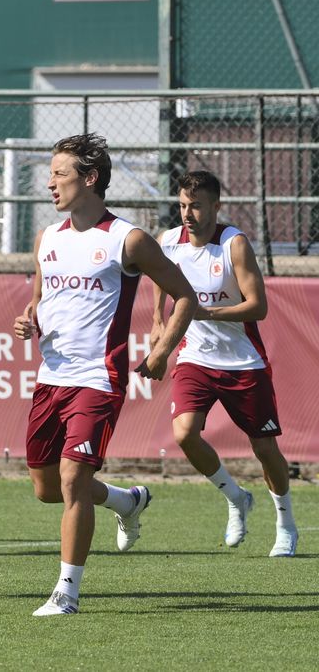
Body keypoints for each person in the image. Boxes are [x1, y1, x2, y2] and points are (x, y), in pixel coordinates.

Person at [13, 133, 197, 616]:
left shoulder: (127, 239)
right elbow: (39, 299)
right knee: (47, 488)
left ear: (89, 179)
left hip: (98, 379)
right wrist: (29, 316)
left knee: (73, 479)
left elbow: (185, 296)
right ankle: (124, 501)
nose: (49, 183)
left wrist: (160, 351)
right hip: (50, 378)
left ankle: (66, 593)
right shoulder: (46, 238)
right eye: (50, 173)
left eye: (59, 174)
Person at [152, 171, 298, 557]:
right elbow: (159, 278)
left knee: (265, 448)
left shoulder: (233, 244)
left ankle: (285, 523)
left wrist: (209, 314)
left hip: (243, 361)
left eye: (196, 206)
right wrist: (156, 320)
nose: (188, 213)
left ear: (216, 207)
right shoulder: (168, 242)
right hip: (195, 357)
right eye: (183, 205)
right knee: (184, 434)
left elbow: (259, 307)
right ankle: (235, 497)